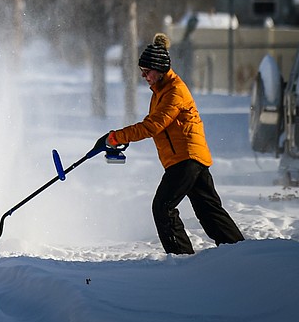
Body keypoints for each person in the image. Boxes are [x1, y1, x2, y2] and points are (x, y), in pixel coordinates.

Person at [96, 32, 245, 254]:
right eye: (142, 72)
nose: (144, 76)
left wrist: (115, 137)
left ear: (159, 69)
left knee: (163, 207)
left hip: (186, 158)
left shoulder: (175, 91)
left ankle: (181, 258)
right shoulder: (160, 91)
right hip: (188, 157)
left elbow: (152, 126)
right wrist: (119, 139)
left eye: (147, 72)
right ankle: (240, 252)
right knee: (209, 211)